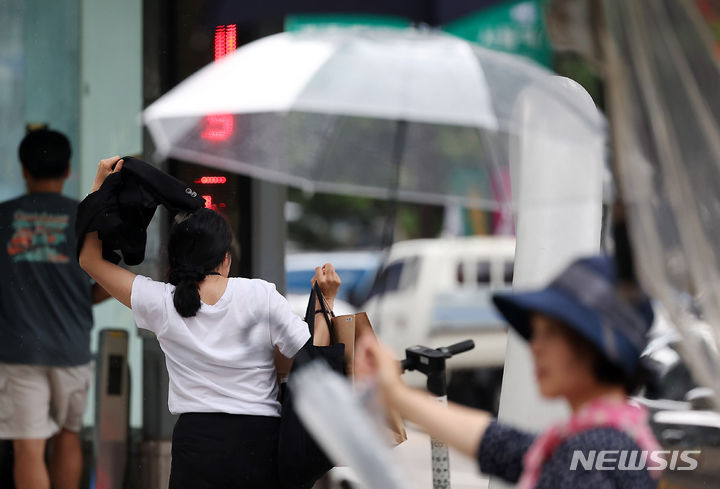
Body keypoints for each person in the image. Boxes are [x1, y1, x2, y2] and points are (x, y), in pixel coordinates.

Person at [78, 156, 340, 489]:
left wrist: (101, 185)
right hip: (260, 447)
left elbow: (89, 260)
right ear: (226, 256)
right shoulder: (260, 295)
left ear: (175, 258)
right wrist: (325, 301)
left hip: (196, 447)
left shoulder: (161, 302)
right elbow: (313, 358)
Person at [357, 255, 662, 489]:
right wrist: (395, 394)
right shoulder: (609, 438)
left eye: (552, 332)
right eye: (535, 332)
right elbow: (502, 445)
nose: (534, 347)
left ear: (596, 344)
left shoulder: (587, 456)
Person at [0, 129, 110, 489]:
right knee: (68, 437)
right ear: (67, 170)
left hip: (18, 352)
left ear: (24, 170)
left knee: (28, 450)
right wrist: (79, 302)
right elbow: (106, 281)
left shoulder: (3, 218)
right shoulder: (83, 220)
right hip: (72, 350)